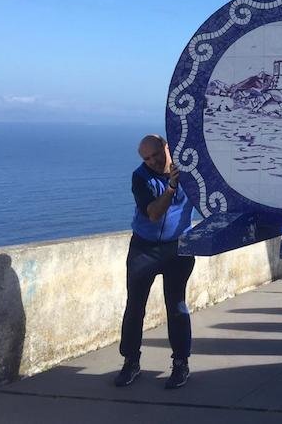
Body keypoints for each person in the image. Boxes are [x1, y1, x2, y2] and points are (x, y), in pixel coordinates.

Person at [114, 134, 195, 388]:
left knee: (177, 306)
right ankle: (131, 362)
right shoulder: (141, 177)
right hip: (144, 248)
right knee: (135, 306)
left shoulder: (190, 171)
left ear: (166, 147)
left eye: (156, 154)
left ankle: (181, 364)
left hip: (178, 248)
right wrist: (171, 188)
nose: (152, 161)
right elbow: (153, 214)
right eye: (146, 158)